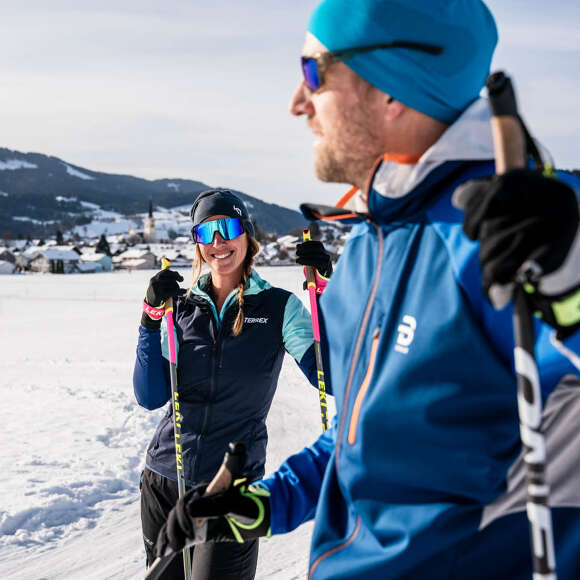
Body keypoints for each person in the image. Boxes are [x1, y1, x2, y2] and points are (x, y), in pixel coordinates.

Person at [156, 2, 580, 578]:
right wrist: (265, 503)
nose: (296, 102)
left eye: (313, 73)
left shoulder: (526, 231)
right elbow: (355, 439)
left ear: (391, 85)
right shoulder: (365, 251)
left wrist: (569, 286)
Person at [133, 188, 330, 579]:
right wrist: (150, 318)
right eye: (206, 234)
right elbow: (150, 395)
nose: (218, 243)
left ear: (247, 234)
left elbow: (332, 378)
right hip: (164, 480)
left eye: (227, 228)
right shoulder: (182, 308)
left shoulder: (279, 308)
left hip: (229, 491)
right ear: (197, 244)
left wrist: (325, 294)